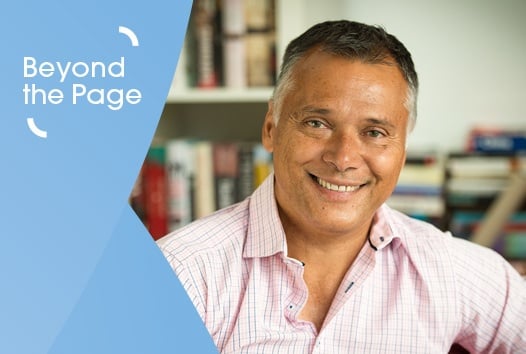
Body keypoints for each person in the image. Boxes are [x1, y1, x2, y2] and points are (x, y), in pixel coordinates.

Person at [157, 20, 526, 353]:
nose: (344, 157)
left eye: (375, 133)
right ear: (271, 127)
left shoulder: (450, 271)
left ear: (402, 150)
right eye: (317, 123)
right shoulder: (181, 274)